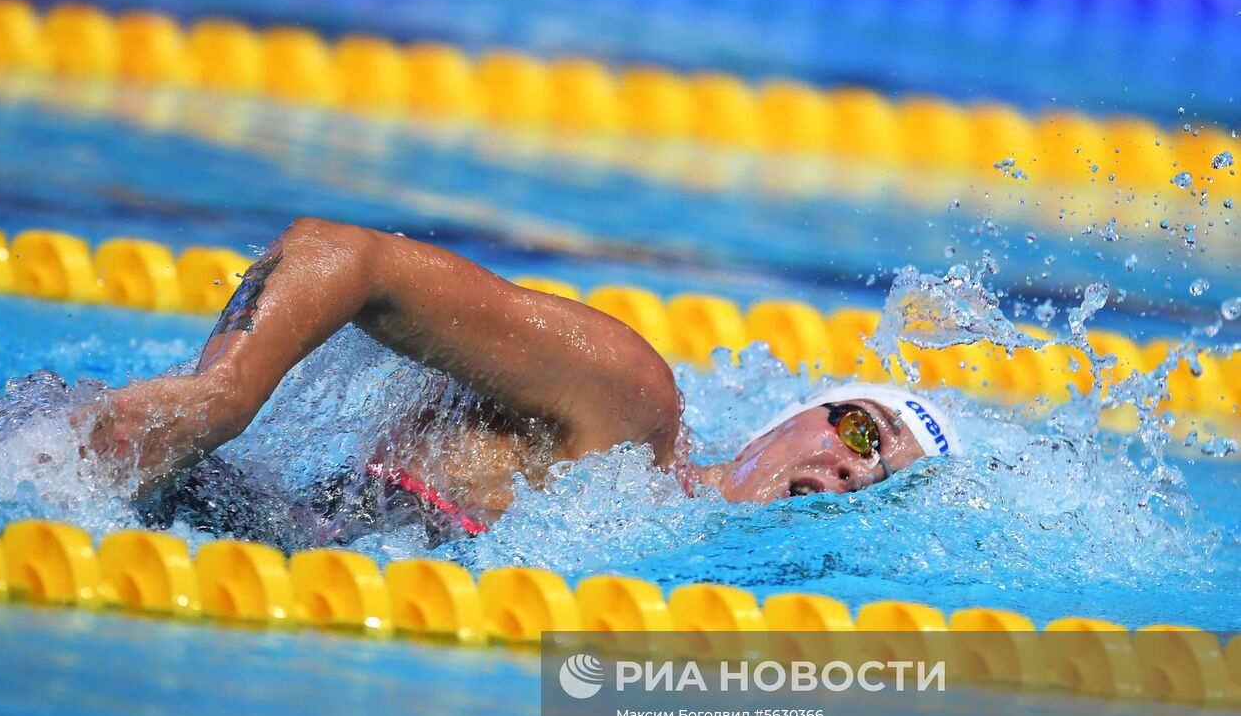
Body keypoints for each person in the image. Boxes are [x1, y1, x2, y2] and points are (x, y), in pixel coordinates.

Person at [88, 217, 959, 543]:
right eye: (861, 434)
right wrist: (223, 396)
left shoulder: (662, 551)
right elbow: (343, 255)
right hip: (143, 495)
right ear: (795, 420)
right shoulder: (631, 407)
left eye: (886, 479)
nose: (860, 471)